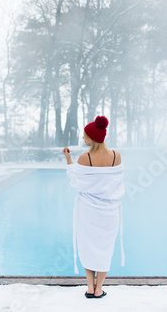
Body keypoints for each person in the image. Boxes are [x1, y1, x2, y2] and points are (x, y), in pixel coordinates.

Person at [62, 115, 125, 299]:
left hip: (88, 212)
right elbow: (115, 182)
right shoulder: (116, 156)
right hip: (110, 212)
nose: (83, 139)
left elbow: (76, 181)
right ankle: (99, 289)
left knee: (88, 247)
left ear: (91, 138)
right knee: (105, 249)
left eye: (85, 136)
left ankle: (90, 287)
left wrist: (68, 159)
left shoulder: (84, 158)